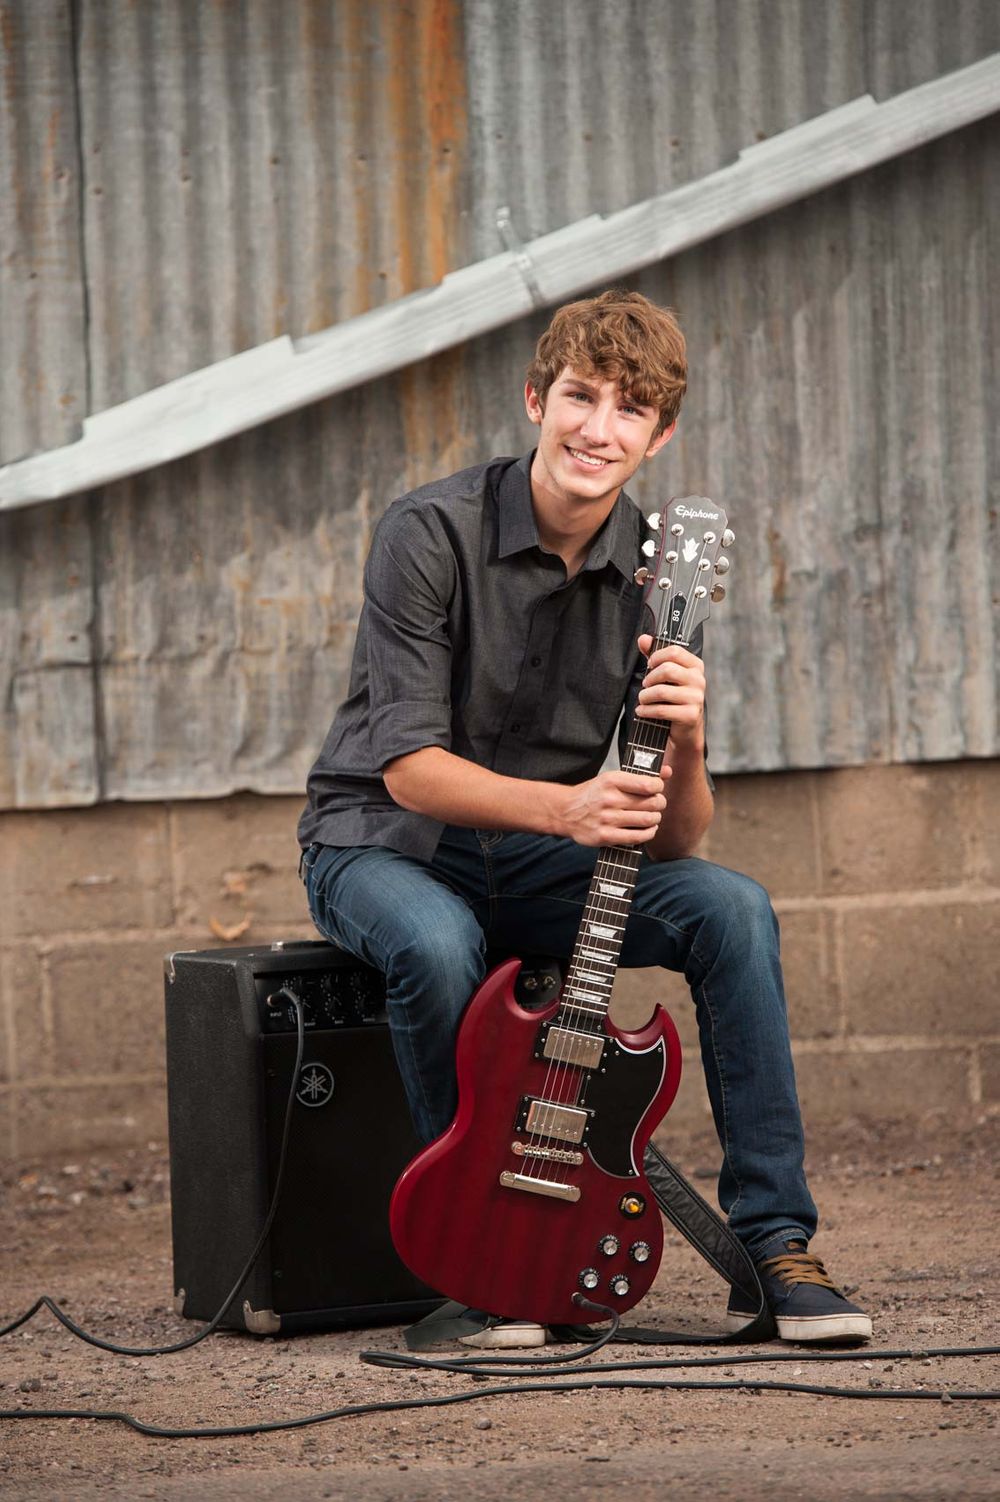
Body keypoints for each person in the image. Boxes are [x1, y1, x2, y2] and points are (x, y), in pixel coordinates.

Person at [298, 288, 871, 1345]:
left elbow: (676, 838)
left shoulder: (662, 572)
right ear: (535, 398)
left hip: (547, 861)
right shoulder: (427, 533)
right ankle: (474, 1254)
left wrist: (683, 733)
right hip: (383, 844)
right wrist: (568, 807)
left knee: (730, 907)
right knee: (433, 941)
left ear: (661, 435)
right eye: (580, 395)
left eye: (629, 409)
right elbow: (411, 771)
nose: (597, 428)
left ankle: (777, 1246)